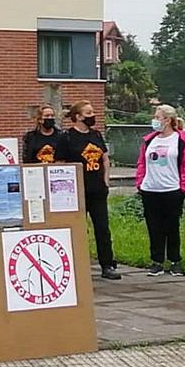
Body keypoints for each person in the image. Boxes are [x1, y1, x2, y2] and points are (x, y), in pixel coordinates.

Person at [57, 101, 121, 280]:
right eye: (88, 112)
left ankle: (107, 264)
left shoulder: (96, 134)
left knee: (102, 228)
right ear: (78, 116)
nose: (92, 115)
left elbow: (105, 158)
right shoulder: (66, 137)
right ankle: (75, 264)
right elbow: (60, 164)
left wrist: (106, 179)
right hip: (76, 191)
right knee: (77, 228)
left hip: (97, 190)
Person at [136, 105, 185, 276]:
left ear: (168, 120)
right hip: (150, 189)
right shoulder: (149, 140)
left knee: (172, 226)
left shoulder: (181, 140)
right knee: (154, 226)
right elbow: (141, 162)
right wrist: (140, 182)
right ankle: (157, 261)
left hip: (172, 189)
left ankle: (175, 260)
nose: (155, 120)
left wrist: (184, 187)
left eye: (158, 117)